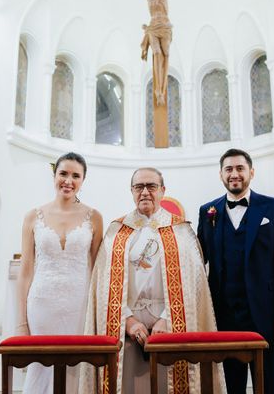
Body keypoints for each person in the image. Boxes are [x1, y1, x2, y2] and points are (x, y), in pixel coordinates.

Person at [80, 167, 224, 394]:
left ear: (162, 190)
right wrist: (128, 321)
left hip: (169, 327)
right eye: (139, 187)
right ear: (131, 191)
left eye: (151, 186)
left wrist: (168, 319)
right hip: (126, 327)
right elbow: (103, 285)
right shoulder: (117, 231)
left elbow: (193, 286)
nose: (145, 192)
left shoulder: (181, 231)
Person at [197, 149, 274, 394]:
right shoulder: (207, 211)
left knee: (268, 385)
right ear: (221, 174)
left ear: (251, 173)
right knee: (231, 386)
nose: (234, 174)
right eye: (229, 169)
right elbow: (199, 261)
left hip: (266, 315)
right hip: (224, 316)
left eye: (240, 168)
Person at [17, 152, 104, 394]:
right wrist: (22, 322)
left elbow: (98, 270)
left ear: (83, 180)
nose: (68, 180)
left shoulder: (94, 217)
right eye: (63, 173)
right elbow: (25, 272)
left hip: (79, 302)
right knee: (41, 366)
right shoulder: (33, 216)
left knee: (77, 365)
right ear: (54, 175)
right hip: (42, 303)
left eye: (76, 176)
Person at [97, 0, 214, 106]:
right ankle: (158, 91)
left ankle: (162, 88)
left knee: (166, 55)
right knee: (157, 54)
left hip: (165, 26)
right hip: (152, 27)